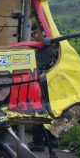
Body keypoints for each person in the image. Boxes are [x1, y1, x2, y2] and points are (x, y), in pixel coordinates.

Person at [27, 20, 59, 151]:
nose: (35, 36)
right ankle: (52, 140)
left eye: (36, 32)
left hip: (41, 85)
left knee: (38, 113)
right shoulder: (53, 47)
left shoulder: (41, 49)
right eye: (33, 33)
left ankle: (38, 142)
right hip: (49, 84)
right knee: (49, 113)